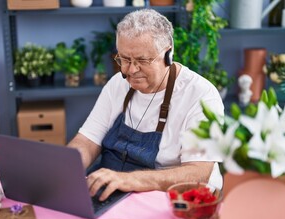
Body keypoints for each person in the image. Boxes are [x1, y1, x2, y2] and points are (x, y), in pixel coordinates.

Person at [68, 8, 224, 201]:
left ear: (168, 54)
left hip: (172, 199)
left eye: (142, 60)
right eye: (124, 59)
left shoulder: (201, 96)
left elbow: (198, 173)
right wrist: (66, 168)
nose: (130, 70)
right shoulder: (117, 83)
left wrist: (129, 180)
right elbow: (87, 141)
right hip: (113, 192)